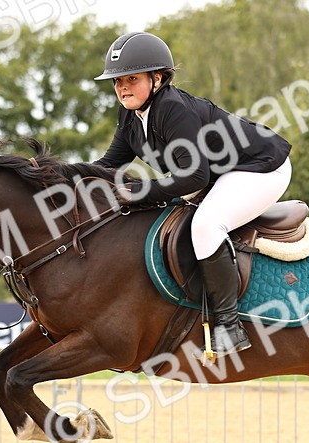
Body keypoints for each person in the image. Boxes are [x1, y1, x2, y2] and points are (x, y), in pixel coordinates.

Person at [91, 32, 293, 355]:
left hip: (261, 167)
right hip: (221, 174)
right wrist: (61, 180)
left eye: (131, 78)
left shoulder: (172, 109)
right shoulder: (130, 116)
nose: (122, 87)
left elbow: (193, 175)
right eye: (117, 81)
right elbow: (108, 165)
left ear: (157, 79)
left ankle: (228, 327)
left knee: (205, 225)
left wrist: (140, 191)